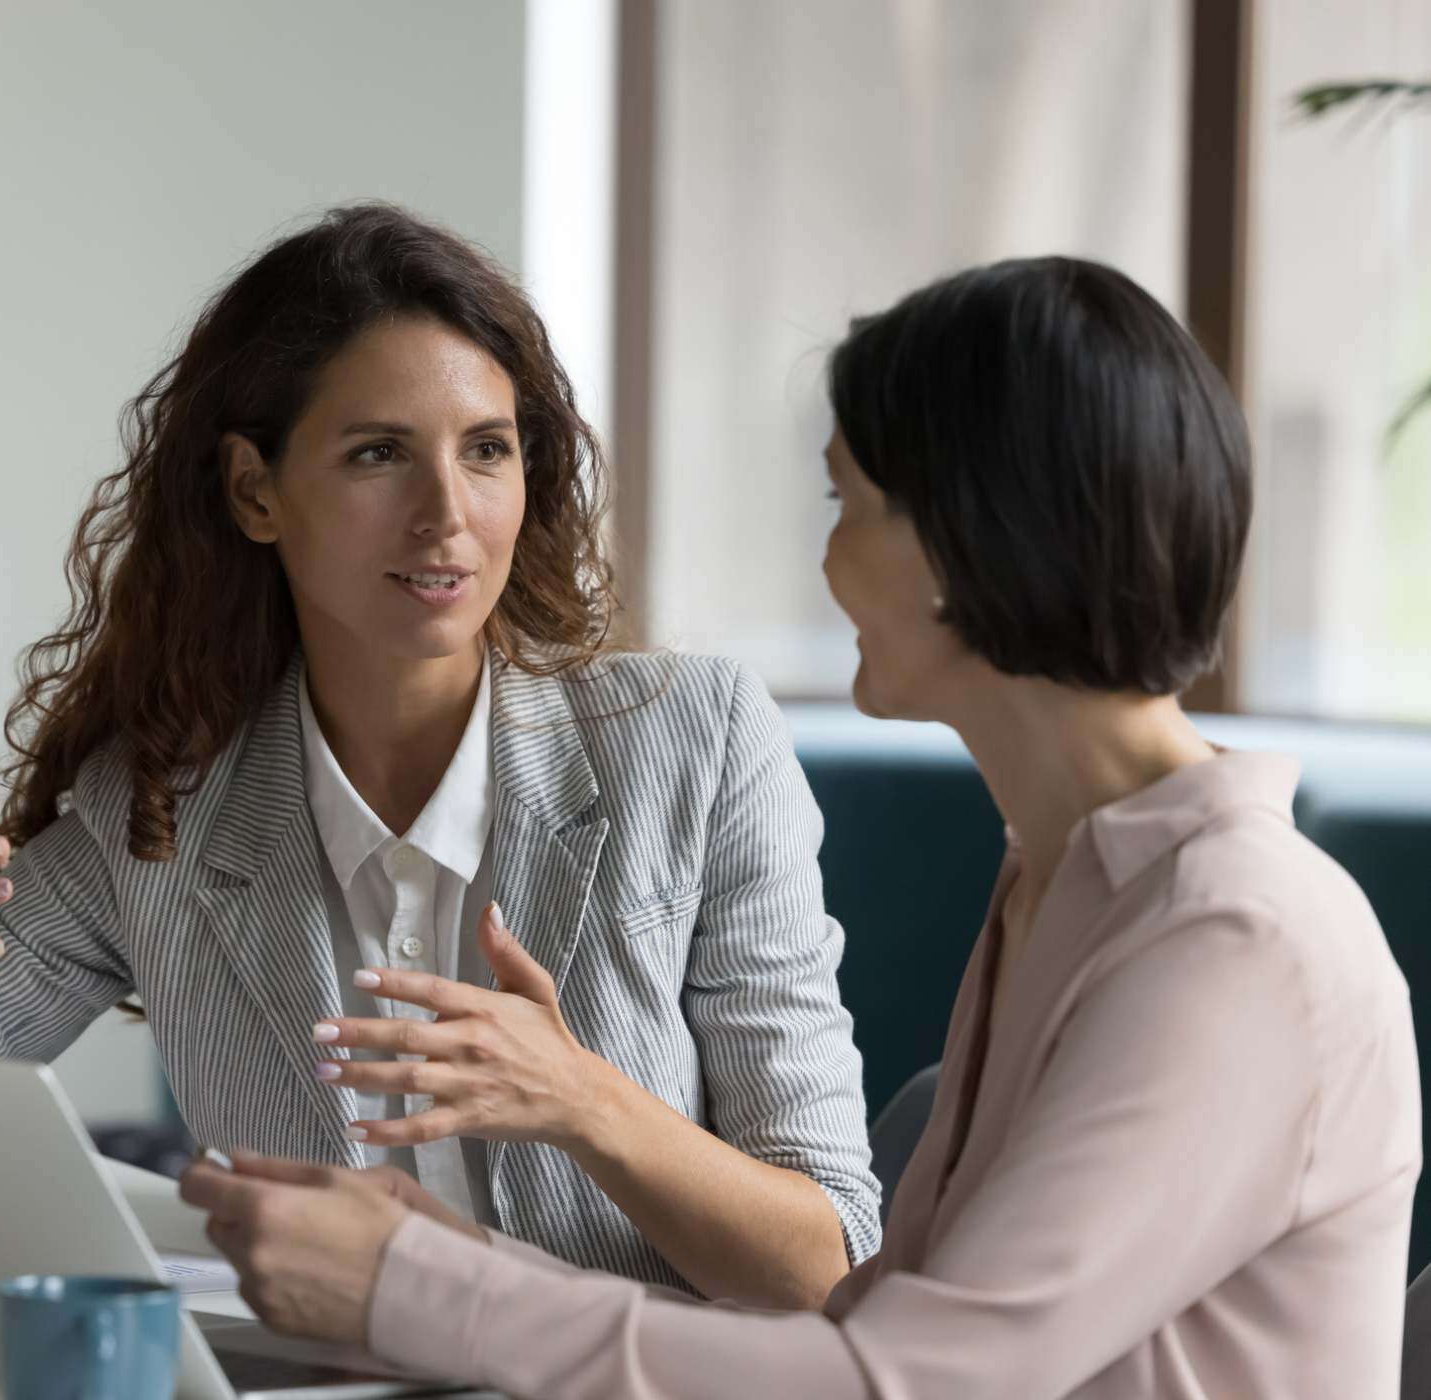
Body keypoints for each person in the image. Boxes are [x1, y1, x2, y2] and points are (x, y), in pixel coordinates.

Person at [180, 255, 1422, 1398]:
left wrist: (424, 1285)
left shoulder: (1234, 937)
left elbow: (908, 1380)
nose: (826, 560)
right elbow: (861, 1327)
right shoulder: (1067, 881)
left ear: (966, 540)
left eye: (849, 501)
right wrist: (444, 1256)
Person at [0, 203, 881, 1306]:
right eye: (378, 454)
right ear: (253, 490)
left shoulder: (694, 740)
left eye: (487, 449)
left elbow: (831, 1262)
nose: (446, 513)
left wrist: (588, 1105)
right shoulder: (155, 815)